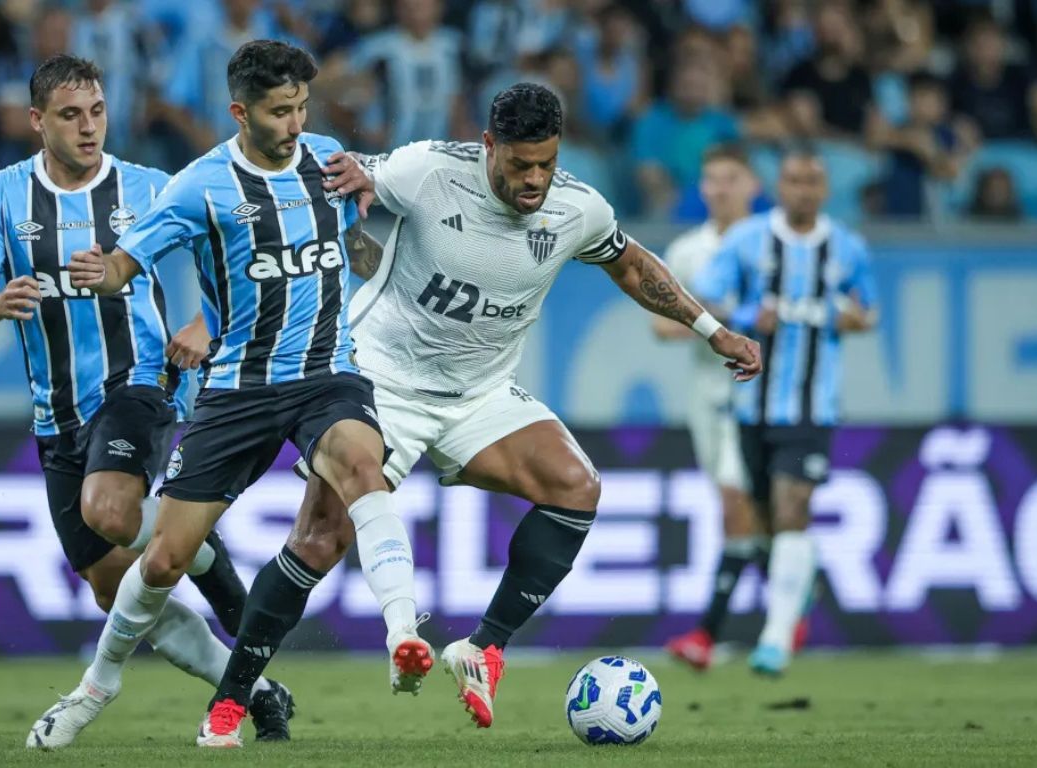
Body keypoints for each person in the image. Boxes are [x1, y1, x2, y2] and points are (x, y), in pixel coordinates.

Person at [284, 83, 760, 729]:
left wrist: (714, 330)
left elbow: (630, 264)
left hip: (476, 393)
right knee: (320, 542)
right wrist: (354, 172)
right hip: (382, 381)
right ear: (491, 147)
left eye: (547, 163)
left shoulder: (577, 207)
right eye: (520, 165)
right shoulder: (430, 169)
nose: (535, 178)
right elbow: (349, 178)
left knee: (575, 484)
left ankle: (483, 648)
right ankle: (240, 692)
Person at [38, 40, 428, 750]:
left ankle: (403, 630)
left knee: (363, 467)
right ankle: (98, 685)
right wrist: (103, 272)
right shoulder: (199, 185)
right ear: (240, 112)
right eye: (281, 111)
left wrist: (373, 217)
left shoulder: (329, 159)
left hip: (325, 376)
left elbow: (357, 245)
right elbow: (129, 262)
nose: (297, 123)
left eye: (303, 107)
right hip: (238, 390)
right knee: (161, 560)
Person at [0, 53, 292, 748]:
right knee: (117, 592)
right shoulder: (3, 196)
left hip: (140, 385)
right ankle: (256, 690)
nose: (88, 128)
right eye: (71, 115)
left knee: (108, 511)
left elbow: (237, 258)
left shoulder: (151, 187)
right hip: (57, 414)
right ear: (37, 121)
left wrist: (204, 324)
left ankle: (185, 550)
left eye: (98, 112)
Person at [694, 149, 879, 677]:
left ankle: (775, 641)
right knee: (768, 524)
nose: (804, 189)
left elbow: (869, 311)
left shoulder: (847, 247)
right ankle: (800, 588)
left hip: (811, 407)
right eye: (795, 179)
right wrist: (750, 314)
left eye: (813, 180)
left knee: (793, 508)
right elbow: (706, 298)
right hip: (750, 406)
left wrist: (852, 319)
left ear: (824, 189)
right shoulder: (748, 240)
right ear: (780, 185)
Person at [655, 145, 765, 670]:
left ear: (752, 185)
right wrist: (716, 324)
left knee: (734, 504)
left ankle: (707, 632)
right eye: (712, 179)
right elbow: (659, 323)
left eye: (731, 178)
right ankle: (796, 587)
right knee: (747, 510)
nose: (720, 188)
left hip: (762, 395)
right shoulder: (685, 250)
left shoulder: (772, 245)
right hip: (707, 391)